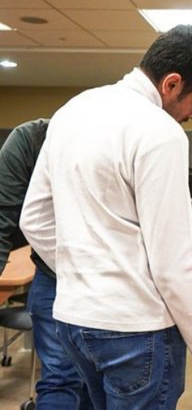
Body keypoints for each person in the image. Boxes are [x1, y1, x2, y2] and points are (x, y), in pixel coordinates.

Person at [20, 25, 192, 410]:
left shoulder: (73, 110)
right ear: (172, 84)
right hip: (135, 331)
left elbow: (35, 220)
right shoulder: (161, 132)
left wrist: (88, 273)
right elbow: (172, 268)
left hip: (74, 320)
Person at [0, 119, 92, 409]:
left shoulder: (119, 139)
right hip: (54, 277)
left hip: (111, 279)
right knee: (61, 378)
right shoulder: (29, 139)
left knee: (95, 381)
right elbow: (3, 216)